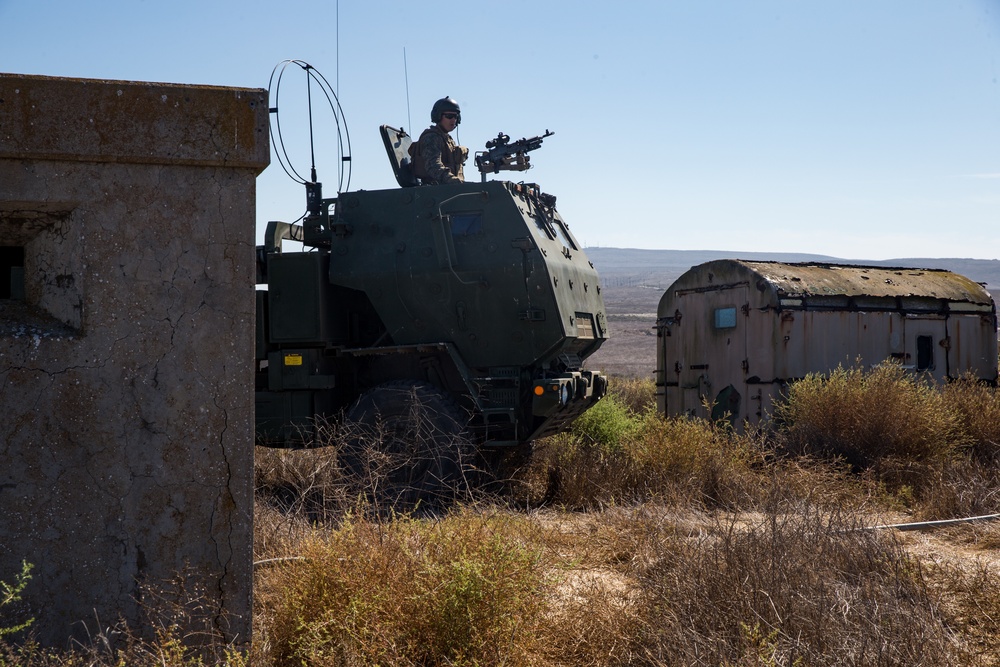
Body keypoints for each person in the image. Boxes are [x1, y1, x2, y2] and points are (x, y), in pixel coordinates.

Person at [409, 96, 469, 184]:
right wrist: (452, 180)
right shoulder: (431, 137)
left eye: (455, 116)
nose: (453, 120)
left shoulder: (448, 139)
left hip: (448, 190)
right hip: (435, 191)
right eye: (449, 116)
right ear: (438, 116)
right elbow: (433, 166)